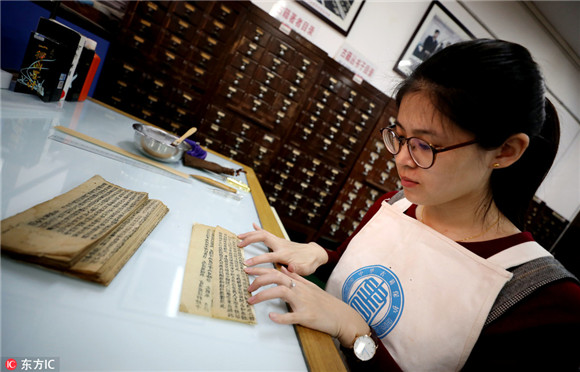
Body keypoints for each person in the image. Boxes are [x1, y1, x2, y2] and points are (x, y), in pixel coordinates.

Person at [238, 39, 580, 371]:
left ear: (505, 151)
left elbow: (352, 317)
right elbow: (357, 272)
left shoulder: (545, 298)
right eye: (400, 137)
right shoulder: (398, 203)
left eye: (425, 144)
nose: (402, 158)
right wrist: (320, 256)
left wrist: (357, 335)